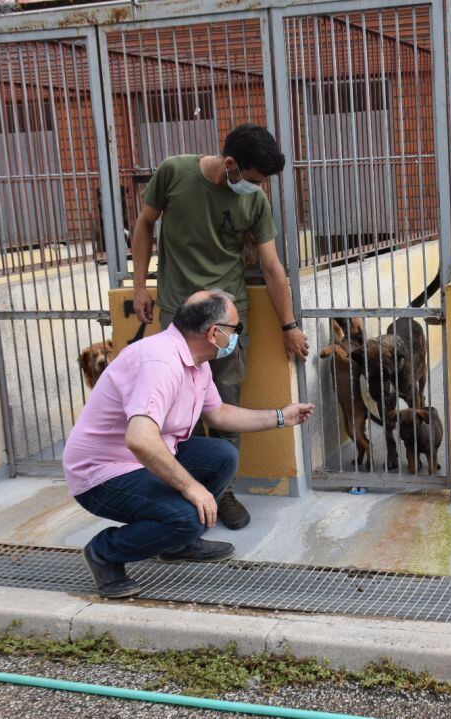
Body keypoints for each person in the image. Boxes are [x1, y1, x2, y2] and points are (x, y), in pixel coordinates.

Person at [63, 290, 314, 598]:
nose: (236, 337)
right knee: (187, 516)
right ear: (214, 333)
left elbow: (219, 414)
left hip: (147, 455)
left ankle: (177, 545)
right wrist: (191, 488)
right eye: (236, 330)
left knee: (222, 455)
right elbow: (140, 439)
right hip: (101, 473)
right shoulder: (161, 362)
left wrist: (280, 417)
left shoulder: (195, 360)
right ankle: (105, 552)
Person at [130, 124, 309, 531]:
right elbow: (144, 225)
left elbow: (272, 266)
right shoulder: (174, 173)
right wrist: (140, 286)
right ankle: (187, 492)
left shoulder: (255, 203)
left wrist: (288, 324)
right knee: (180, 417)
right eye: (255, 179)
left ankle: (222, 491)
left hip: (227, 324)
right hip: (178, 318)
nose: (260, 189)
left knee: (225, 404)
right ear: (230, 165)